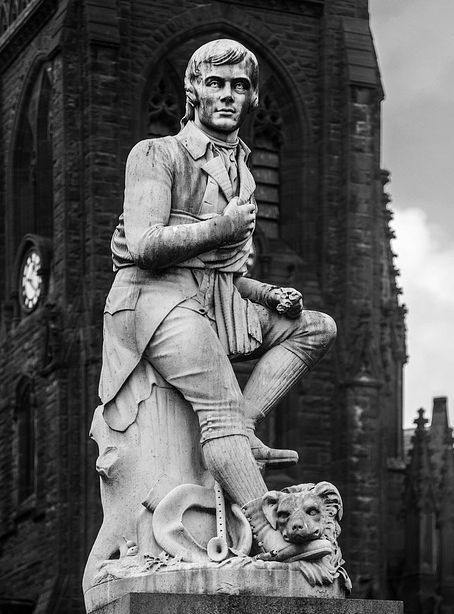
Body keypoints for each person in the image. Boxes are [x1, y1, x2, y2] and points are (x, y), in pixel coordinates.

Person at [99, 39, 337, 561]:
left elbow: (226, 274)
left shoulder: (244, 173)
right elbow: (143, 245)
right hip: (154, 299)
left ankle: (242, 432)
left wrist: (270, 293)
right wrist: (221, 226)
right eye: (216, 84)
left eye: (240, 86)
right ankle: (270, 536)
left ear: (251, 98)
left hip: (215, 298)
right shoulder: (156, 155)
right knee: (220, 412)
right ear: (194, 91)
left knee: (316, 327)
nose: (228, 96)